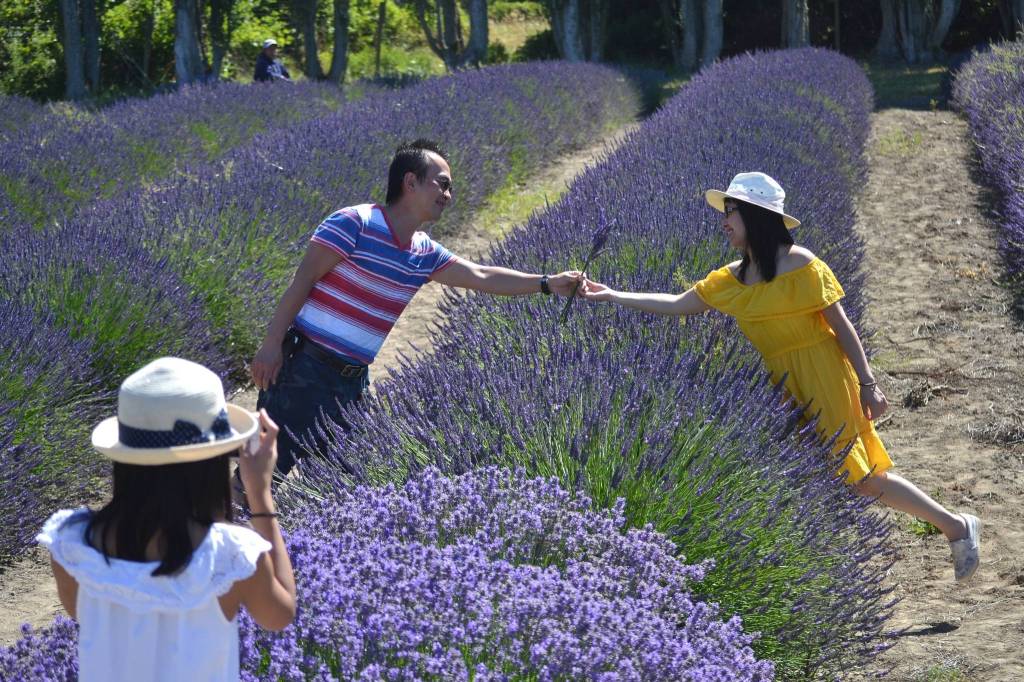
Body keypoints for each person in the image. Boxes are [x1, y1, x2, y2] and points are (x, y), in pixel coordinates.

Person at [578, 171, 982, 582]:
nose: (723, 221)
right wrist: (612, 294)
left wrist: (868, 383)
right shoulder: (730, 279)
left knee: (859, 476)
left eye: (729, 211)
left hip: (824, 374)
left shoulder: (802, 264)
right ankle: (821, 570)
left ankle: (955, 526)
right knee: (807, 475)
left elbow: (842, 327)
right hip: (783, 385)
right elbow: (678, 304)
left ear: (754, 215)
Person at [250, 139, 581, 478]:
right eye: (442, 184)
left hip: (352, 385)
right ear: (410, 182)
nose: (448, 196)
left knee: (345, 486)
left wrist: (546, 283)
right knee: (258, 477)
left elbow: (481, 275)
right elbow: (302, 281)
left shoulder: (424, 252)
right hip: (305, 370)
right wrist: (271, 344)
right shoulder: (354, 223)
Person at [38, 357, 297, 681]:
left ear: (126, 458)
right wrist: (260, 494)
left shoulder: (73, 543)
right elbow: (279, 614)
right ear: (212, 464)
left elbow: (83, 612)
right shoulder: (228, 556)